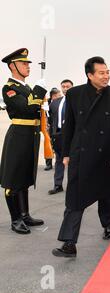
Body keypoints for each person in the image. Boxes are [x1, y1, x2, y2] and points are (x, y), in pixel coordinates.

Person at [52, 56, 110, 257]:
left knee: (107, 194)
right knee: (74, 199)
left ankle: (108, 224)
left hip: (109, 155)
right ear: (90, 75)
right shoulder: (75, 94)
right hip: (82, 154)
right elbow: (69, 126)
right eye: (101, 73)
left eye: (108, 72)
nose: (106, 76)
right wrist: (65, 153)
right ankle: (69, 243)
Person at [0, 48, 47, 234]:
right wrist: (39, 90)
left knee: (25, 176)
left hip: (31, 135)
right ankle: (15, 219)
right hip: (18, 136)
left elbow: (34, 109)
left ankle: (25, 214)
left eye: (28, 63)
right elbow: (25, 108)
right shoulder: (9, 88)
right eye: (23, 63)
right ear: (12, 66)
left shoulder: (26, 88)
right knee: (13, 179)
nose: (28, 66)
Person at [48, 80, 74, 195]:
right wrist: (51, 135)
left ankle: (74, 186)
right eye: (63, 86)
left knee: (73, 161)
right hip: (58, 136)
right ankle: (58, 185)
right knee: (59, 160)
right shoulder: (55, 102)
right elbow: (51, 120)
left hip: (72, 136)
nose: (65, 88)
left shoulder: (77, 102)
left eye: (68, 86)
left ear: (72, 87)